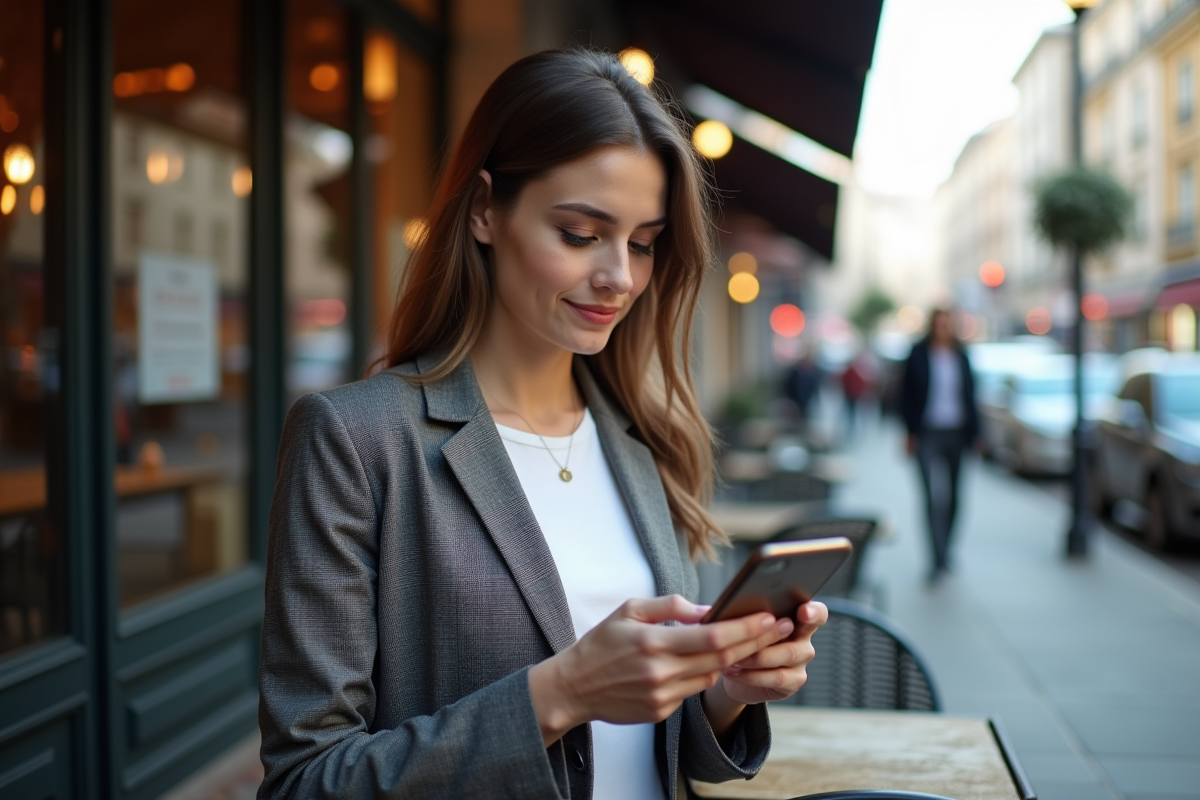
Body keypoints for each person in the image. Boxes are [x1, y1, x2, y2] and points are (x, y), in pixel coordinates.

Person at [258, 49, 828, 800]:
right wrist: (559, 694)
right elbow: (306, 782)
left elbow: (653, 747)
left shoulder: (641, 437)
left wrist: (725, 689)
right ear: (486, 210)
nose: (619, 276)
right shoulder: (358, 441)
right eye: (580, 233)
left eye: (643, 243)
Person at [900, 307, 980, 582]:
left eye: (947, 323)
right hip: (927, 432)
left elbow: (971, 396)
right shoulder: (918, 353)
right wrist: (909, 433)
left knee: (955, 497)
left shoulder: (961, 355)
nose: (943, 328)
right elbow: (906, 395)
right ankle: (936, 557)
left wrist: (977, 434)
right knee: (932, 498)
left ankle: (947, 549)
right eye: (939, 323)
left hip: (957, 432)